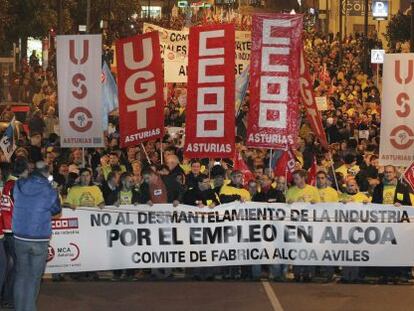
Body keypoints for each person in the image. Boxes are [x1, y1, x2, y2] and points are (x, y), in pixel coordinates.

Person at [12, 161, 61, 311]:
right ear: (47, 173)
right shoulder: (49, 189)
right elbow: (56, 210)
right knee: (34, 278)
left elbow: (15, 199)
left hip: (20, 236)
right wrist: (55, 191)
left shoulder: (19, 184)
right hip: (39, 238)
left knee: (21, 276)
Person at [0, 158, 29, 309]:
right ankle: (10, 298)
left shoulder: (8, 185)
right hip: (13, 230)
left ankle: (7, 296)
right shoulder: (16, 186)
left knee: (10, 266)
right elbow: (22, 208)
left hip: (6, 230)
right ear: (24, 170)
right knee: (17, 267)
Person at [287, 170, 320, 282]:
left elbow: (320, 207)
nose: (295, 181)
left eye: (297, 178)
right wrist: (288, 204)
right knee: (297, 249)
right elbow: (286, 209)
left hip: (310, 226)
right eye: (294, 178)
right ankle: (297, 274)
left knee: (309, 250)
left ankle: (308, 274)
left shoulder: (313, 190)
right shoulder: (291, 191)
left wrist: (315, 203)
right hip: (296, 226)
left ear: (303, 178)